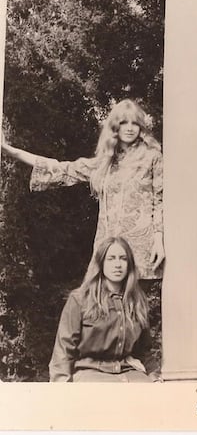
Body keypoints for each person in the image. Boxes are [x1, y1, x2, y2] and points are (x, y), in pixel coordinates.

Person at [1, 99, 164, 279]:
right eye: (124, 122)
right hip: (108, 249)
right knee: (104, 302)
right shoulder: (105, 162)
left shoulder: (152, 157)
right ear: (115, 127)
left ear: (141, 127)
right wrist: (10, 151)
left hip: (141, 248)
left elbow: (160, 200)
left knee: (136, 303)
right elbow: (60, 168)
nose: (130, 128)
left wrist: (159, 240)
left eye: (135, 123)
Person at [49, 236, 161, 382]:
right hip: (90, 374)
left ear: (129, 265)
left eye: (123, 258)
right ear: (101, 263)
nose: (118, 264)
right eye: (111, 258)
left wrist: (155, 378)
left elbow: (144, 352)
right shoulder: (80, 299)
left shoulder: (137, 301)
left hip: (128, 373)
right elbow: (63, 350)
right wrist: (62, 388)